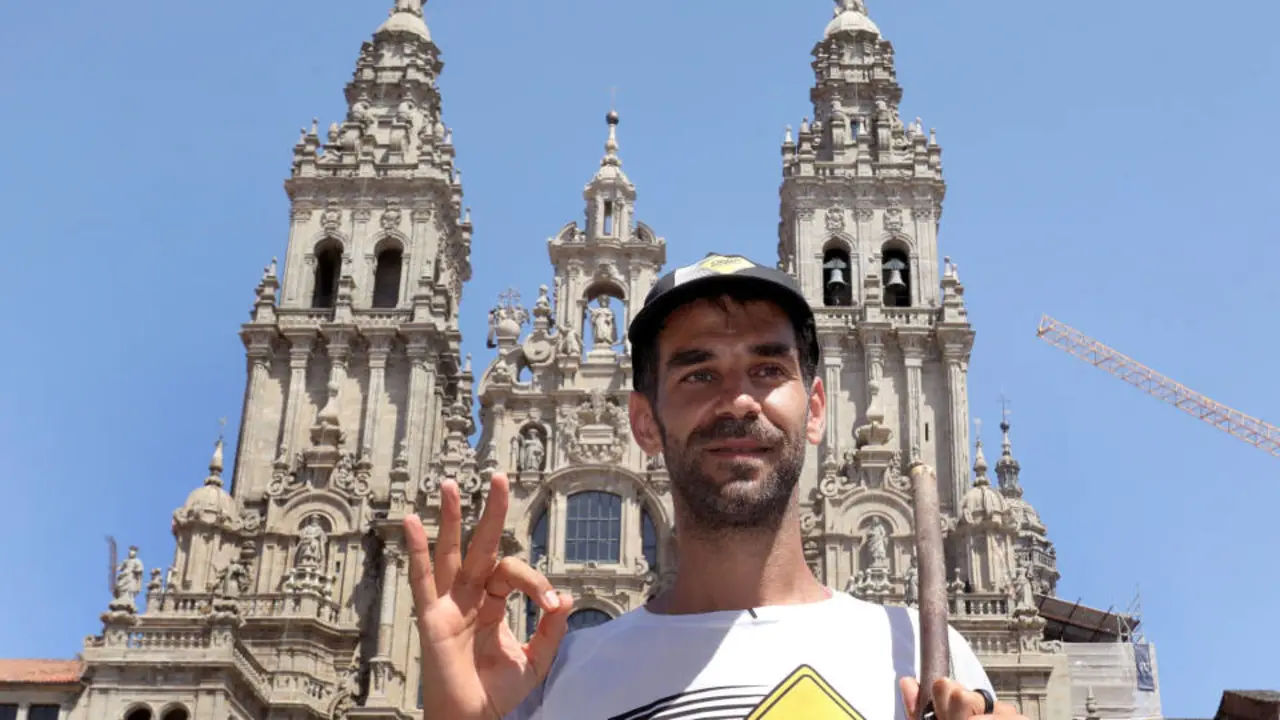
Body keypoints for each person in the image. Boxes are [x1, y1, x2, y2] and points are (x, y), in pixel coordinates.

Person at [405, 253, 1027, 720]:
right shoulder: (551, 680)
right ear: (643, 420)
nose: (738, 400)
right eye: (699, 373)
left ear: (815, 409)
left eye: (766, 368)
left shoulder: (923, 652)